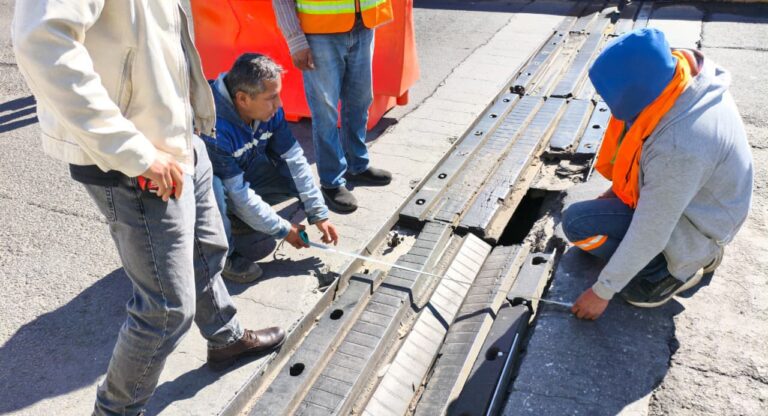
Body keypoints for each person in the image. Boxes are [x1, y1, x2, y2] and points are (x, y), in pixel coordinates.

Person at [12, 2, 286, 414]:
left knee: (207, 250)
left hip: (178, 141)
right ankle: (115, 411)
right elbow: (42, 42)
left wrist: (190, 118)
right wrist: (136, 153)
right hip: (136, 161)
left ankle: (225, 337)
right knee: (165, 310)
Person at [562, 28, 754, 320]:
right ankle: (700, 253)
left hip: (698, 223)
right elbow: (642, 151)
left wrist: (602, 291)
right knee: (586, 220)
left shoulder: (680, 146)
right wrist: (617, 191)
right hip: (706, 205)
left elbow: (651, 230)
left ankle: (676, 270)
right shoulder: (682, 77)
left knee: (581, 230)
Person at [202, 53, 339, 283]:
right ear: (243, 99)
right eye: (272, 98)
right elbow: (238, 192)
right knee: (214, 187)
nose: (280, 104)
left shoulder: (267, 111)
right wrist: (284, 229)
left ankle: (238, 218)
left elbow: (295, 159)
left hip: (240, 173)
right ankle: (223, 256)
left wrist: (318, 211)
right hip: (198, 190)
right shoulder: (213, 126)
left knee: (291, 177)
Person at [273, 0, 394, 213]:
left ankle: (357, 165)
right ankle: (331, 181)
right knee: (325, 111)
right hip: (320, 32)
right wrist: (295, 40)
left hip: (364, 23)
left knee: (360, 101)